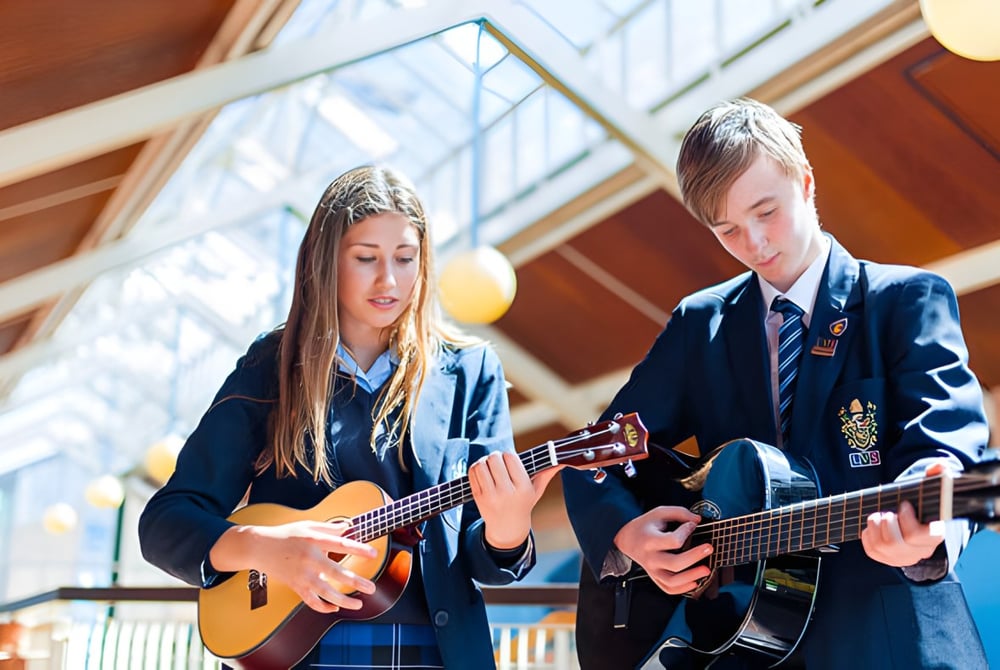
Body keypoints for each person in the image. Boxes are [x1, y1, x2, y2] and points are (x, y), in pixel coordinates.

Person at [562, 98, 989, 669]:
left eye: (767, 212)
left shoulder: (906, 301)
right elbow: (600, 449)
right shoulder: (700, 325)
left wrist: (927, 532)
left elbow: (946, 446)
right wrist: (626, 536)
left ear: (807, 183)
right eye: (729, 230)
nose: (756, 244)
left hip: (892, 638)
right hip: (747, 647)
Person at [139, 165, 560, 670]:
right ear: (325, 263)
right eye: (366, 259)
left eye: (406, 259)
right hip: (302, 653)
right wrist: (265, 550)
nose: (390, 280)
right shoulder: (270, 368)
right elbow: (165, 523)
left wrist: (508, 529)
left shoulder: (470, 371)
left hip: (436, 653)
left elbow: (483, 558)